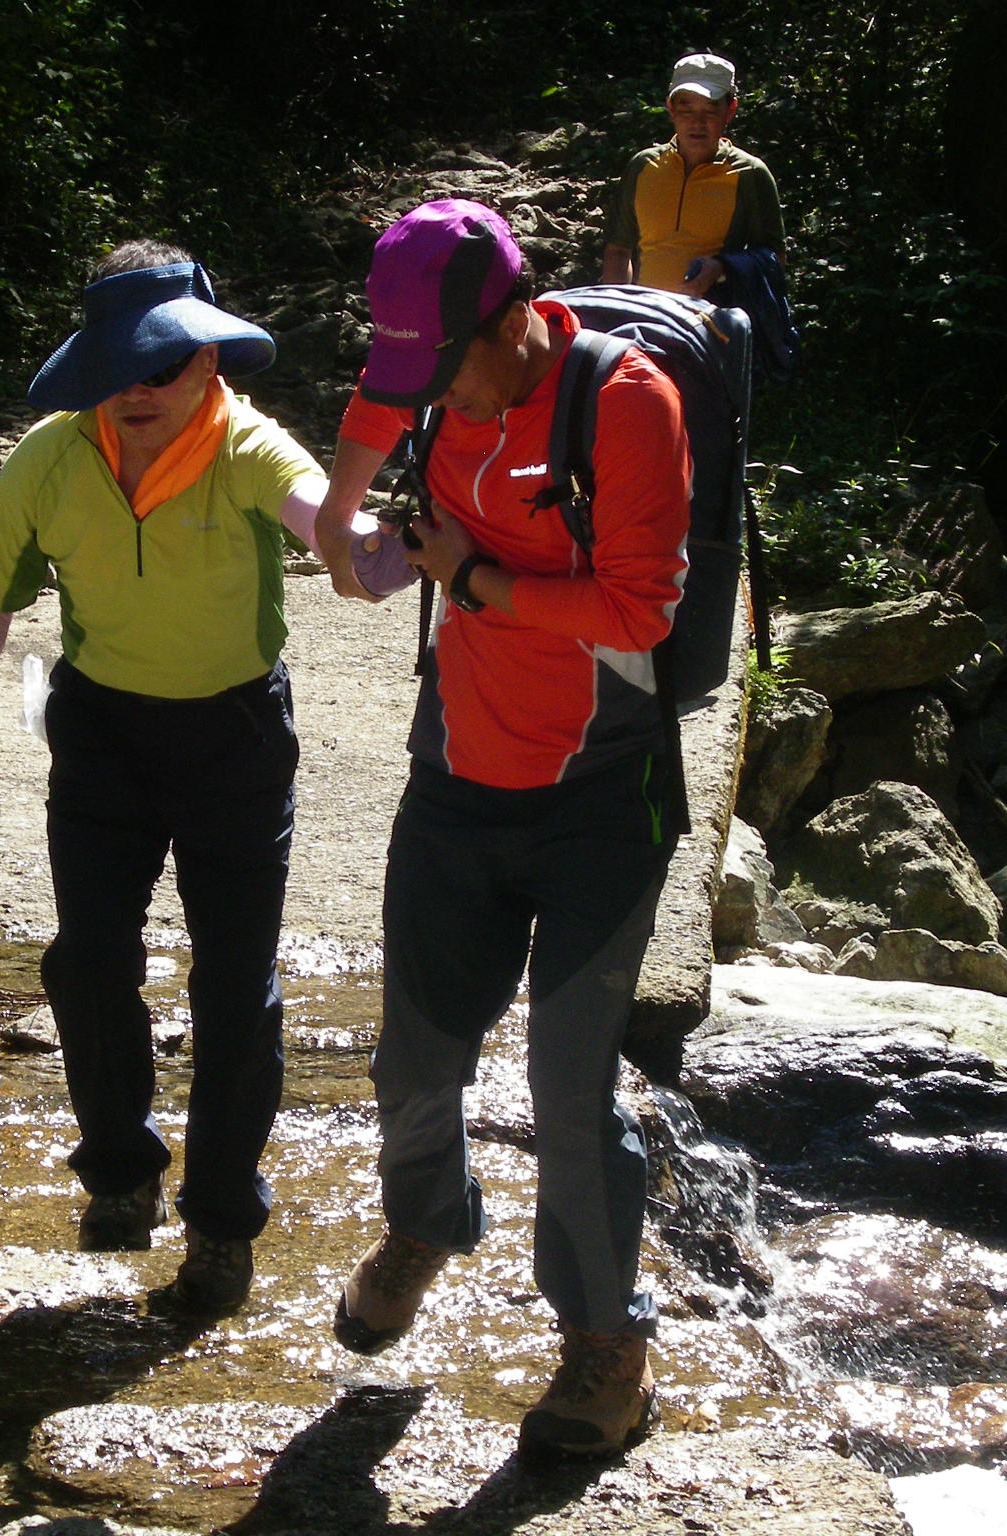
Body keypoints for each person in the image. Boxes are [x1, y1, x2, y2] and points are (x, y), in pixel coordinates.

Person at [312, 200, 691, 1460]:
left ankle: (604, 1347)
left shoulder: (623, 405)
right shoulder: (430, 375)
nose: (440, 403)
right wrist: (340, 512)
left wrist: (467, 579)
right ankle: (427, 1224)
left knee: (568, 1086)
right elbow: (374, 413)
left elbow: (638, 615)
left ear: (512, 319)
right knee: (414, 1056)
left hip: (603, 797)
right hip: (457, 779)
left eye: (448, 371)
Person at [0, 241, 357, 1316]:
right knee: (90, 962)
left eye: (163, 367)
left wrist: (394, 544)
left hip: (235, 739)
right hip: (103, 730)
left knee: (234, 988)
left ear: (208, 365)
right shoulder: (48, 459)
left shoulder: (247, 445)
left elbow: (325, 525)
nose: (139, 389)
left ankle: (219, 1225)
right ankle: (119, 1179)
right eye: (120, 367)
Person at [600, 52, 782, 301]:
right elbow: (619, 250)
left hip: (714, 324)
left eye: (710, 110)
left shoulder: (749, 173)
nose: (697, 122)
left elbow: (775, 259)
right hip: (646, 317)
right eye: (686, 109)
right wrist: (615, 309)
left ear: (730, 110)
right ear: (671, 108)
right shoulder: (643, 166)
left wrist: (722, 267)